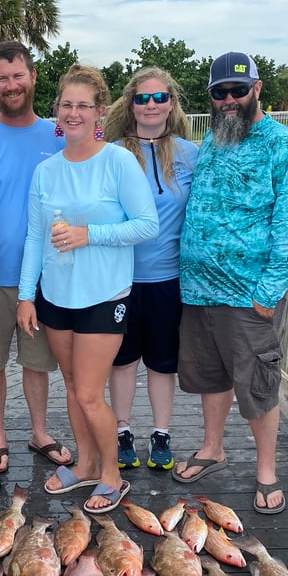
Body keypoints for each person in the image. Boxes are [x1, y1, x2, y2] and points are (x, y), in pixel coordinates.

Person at [17, 65, 160, 513]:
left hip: (104, 296)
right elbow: (34, 238)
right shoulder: (46, 170)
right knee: (74, 384)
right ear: (56, 111)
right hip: (57, 298)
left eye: (83, 106)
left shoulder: (118, 161)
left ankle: (112, 476)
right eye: (67, 105)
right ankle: (83, 465)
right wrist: (26, 294)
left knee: (87, 393)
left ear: (99, 112)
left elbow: (147, 225)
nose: (73, 113)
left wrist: (88, 234)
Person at [172, 51, 288, 514]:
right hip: (198, 291)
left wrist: (268, 294)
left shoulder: (282, 146)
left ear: (257, 88)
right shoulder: (212, 140)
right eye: (219, 92)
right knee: (212, 377)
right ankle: (213, 447)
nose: (229, 99)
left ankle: (266, 470)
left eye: (237, 90)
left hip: (248, 295)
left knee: (257, 384)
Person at [0, 41, 71, 474]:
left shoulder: (60, 133)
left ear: (33, 76)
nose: (11, 85)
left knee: (37, 362)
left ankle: (39, 432)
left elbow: (103, 141)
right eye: (2, 78)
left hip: (46, 278)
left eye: (18, 75)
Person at [104, 67, 197, 472]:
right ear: (130, 105)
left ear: (171, 104)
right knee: (122, 361)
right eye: (142, 98)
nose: (152, 105)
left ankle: (161, 433)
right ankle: (122, 431)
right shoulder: (112, 153)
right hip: (120, 279)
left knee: (162, 363)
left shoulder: (191, 154)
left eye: (160, 98)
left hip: (169, 279)